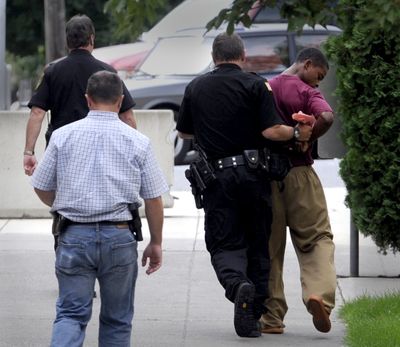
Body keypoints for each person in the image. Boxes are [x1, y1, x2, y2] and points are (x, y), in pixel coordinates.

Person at [176, 32, 312, 338]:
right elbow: (272, 131)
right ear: (243, 56)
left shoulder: (196, 87)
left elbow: (184, 133)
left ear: (213, 57)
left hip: (216, 179)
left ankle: (238, 285)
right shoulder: (255, 85)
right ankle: (254, 317)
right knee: (257, 244)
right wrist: (295, 134)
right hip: (253, 177)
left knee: (223, 243)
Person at [31, 70, 168, 347]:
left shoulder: (62, 136)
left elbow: (41, 185)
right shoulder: (138, 141)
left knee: (70, 314)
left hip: (73, 237)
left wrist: (61, 205)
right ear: (120, 101)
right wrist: (156, 242)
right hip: (119, 237)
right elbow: (154, 197)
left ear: (87, 100)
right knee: (117, 320)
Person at [260, 47, 337, 334]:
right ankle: (318, 295)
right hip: (300, 174)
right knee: (317, 239)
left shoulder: (264, 88)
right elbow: (327, 118)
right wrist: (308, 139)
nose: (318, 82)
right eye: (320, 74)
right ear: (307, 64)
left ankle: (271, 318)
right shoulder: (306, 91)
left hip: (267, 178)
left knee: (270, 248)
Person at [23, 14, 136, 177]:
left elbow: (37, 113)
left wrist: (29, 151)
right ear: (91, 39)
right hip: (101, 149)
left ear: (67, 41)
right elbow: (127, 116)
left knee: (61, 197)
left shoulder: (52, 72)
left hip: (61, 149)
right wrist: (132, 150)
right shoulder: (108, 72)